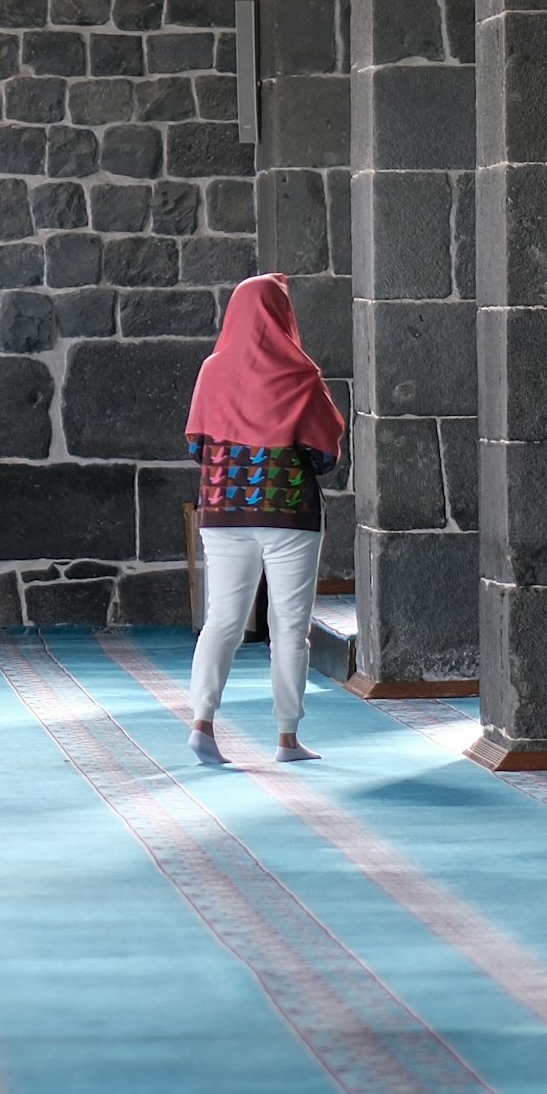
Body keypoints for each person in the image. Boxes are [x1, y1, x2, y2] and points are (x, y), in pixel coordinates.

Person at [182, 273, 343, 766]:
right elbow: (323, 454)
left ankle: (202, 724)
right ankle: (286, 740)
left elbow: (195, 445)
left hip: (223, 511)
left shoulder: (212, 370)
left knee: (222, 621)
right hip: (289, 514)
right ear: (282, 315)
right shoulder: (301, 375)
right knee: (289, 628)